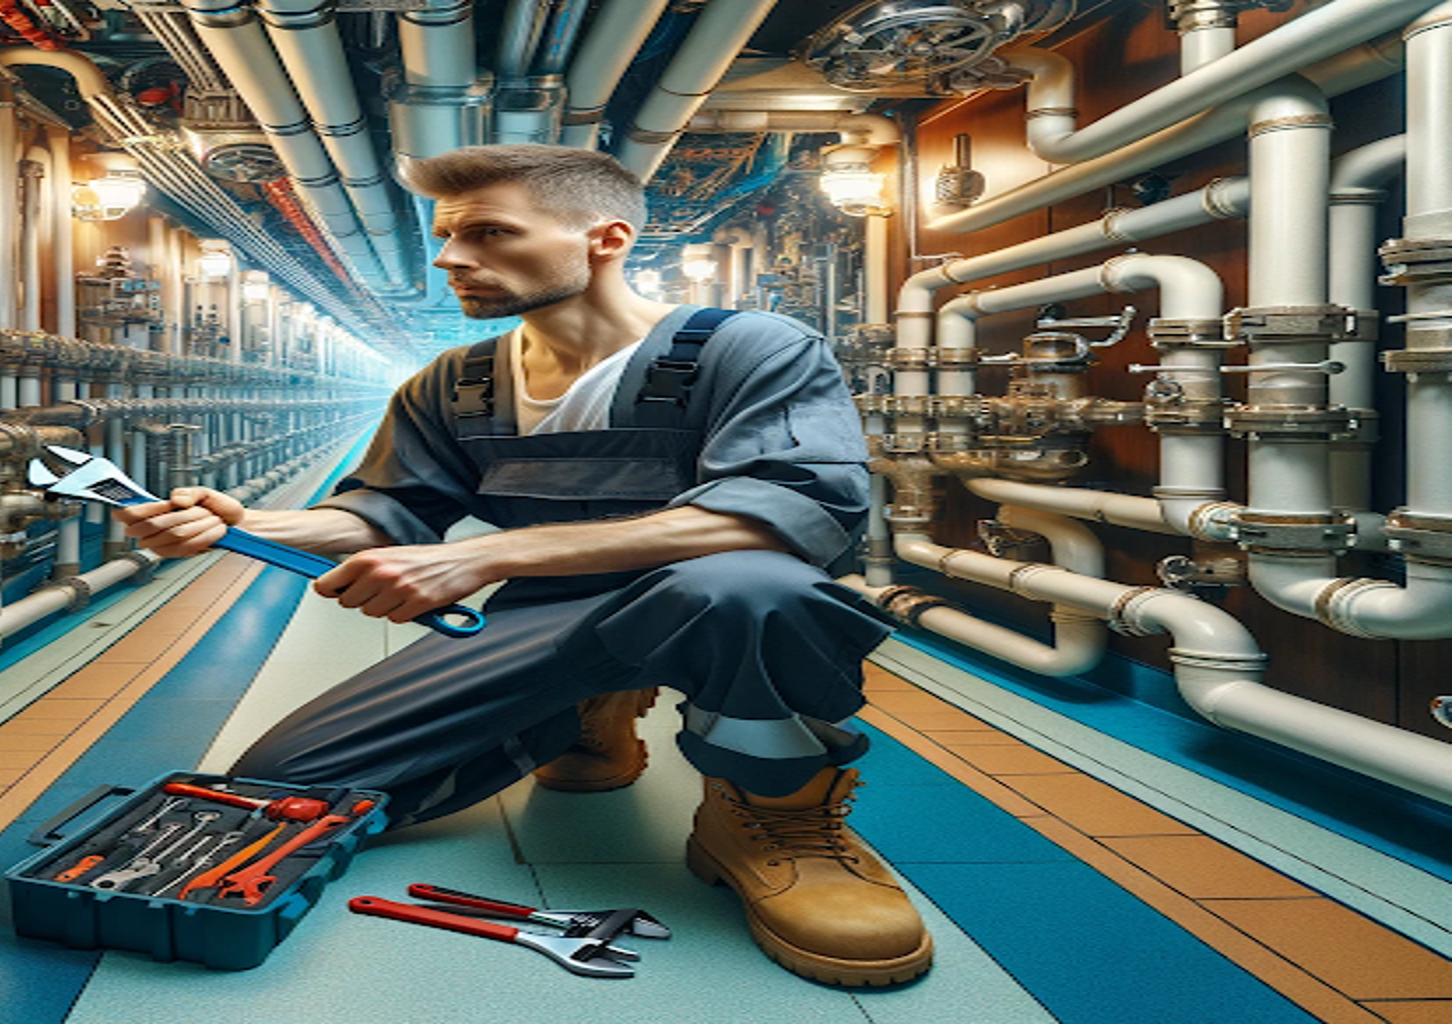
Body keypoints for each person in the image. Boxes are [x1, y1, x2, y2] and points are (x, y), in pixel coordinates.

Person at [113, 144, 931, 987]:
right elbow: (385, 513)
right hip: (552, 616)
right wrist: (249, 523)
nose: (450, 259)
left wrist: (489, 554)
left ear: (604, 239)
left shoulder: (750, 348)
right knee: (286, 786)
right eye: (446, 237)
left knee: (754, 587)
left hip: (715, 600)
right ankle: (588, 706)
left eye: (491, 233)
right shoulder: (456, 383)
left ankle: (774, 812)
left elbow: (788, 514)